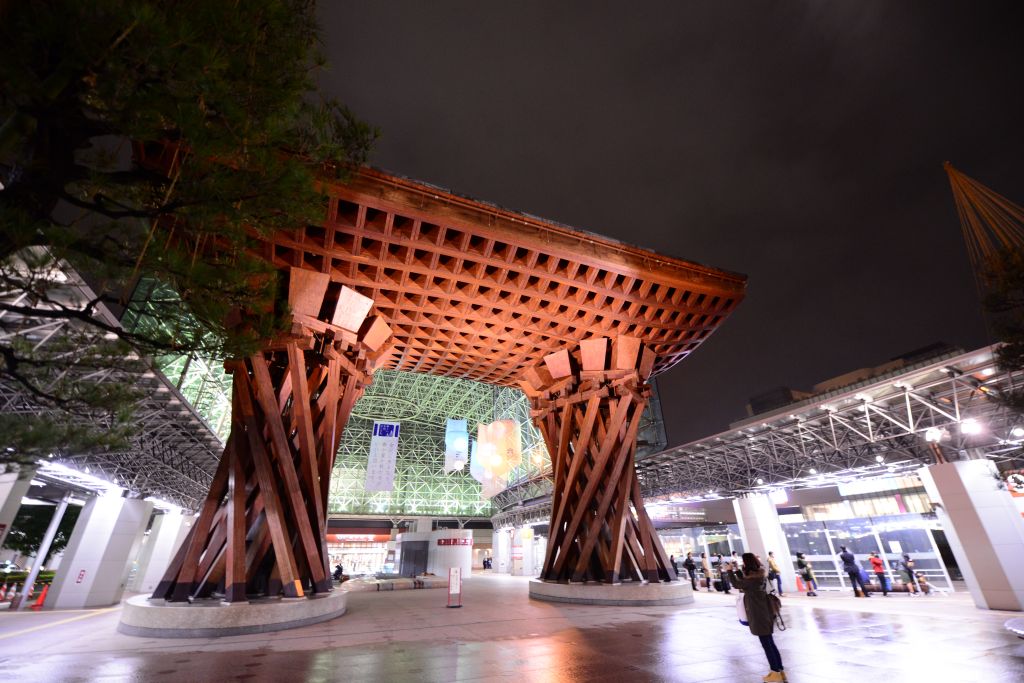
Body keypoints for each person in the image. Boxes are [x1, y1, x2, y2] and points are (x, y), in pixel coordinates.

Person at [729, 553, 786, 682]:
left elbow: (737, 584)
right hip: (765, 612)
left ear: (747, 563)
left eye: (744, 562)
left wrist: (729, 571)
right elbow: (745, 582)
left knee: (767, 645)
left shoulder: (752, 580)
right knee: (770, 643)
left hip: (759, 615)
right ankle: (780, 671)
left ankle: (775, 673)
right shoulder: (759, 576)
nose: (743, 564)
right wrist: (737, 570)